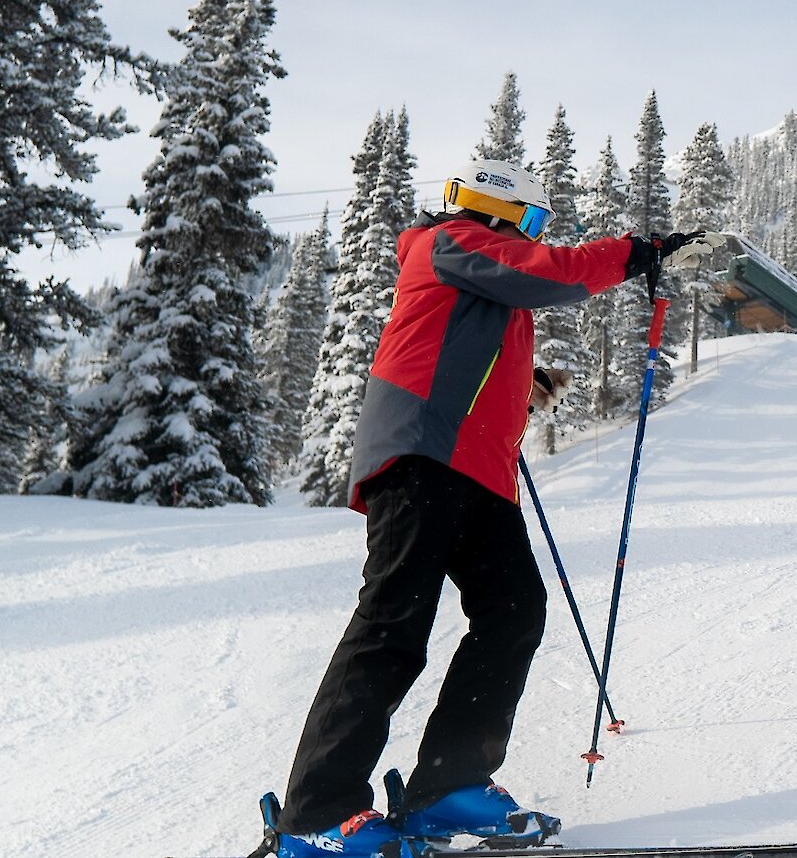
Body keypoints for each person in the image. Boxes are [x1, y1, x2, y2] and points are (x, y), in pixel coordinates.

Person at [274, 157, 712, 858]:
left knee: (514, 610)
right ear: (501, 213)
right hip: (422, 458)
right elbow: (548, 271)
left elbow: (463, 340)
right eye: (531, 222)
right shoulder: (450, 241)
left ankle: (449, 789)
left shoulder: (477, 275)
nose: (534, 234)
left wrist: (519, 384)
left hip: (478, 474)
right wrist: (637, 252)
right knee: (394, 624)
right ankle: (318, 814)